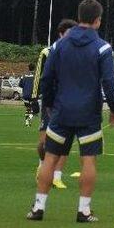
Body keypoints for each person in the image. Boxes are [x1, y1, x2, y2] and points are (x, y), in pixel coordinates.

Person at [27, 0, 114, 222]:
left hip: (61, 109)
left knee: (50, 158)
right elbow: (110, 81)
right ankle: (84, 210)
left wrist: (49, 103)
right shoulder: (103, 47)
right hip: (88, 112)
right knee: (88, 160)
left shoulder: (59, 45)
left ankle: (38, 207)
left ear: (79, 17)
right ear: (98, 21)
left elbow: (47, 78)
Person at [32, 19, 78, 189]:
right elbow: (39, 76)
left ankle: (57, 176)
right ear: (61, 34)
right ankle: (42, 166)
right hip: (50, 102)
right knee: (44, 142)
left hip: (69, 103)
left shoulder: (78, 53)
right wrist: (35, 99)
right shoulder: (48, 52)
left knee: (65, 141)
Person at [19, 63, 38, 127]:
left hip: (25, 95)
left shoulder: (23, 75)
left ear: (28, 68)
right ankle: (30, 118)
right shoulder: (36, 76)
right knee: (35, 110)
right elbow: (39, 85)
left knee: (28, 109)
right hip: (33, 95)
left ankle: (27, 123)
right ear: (34, 68)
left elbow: (20, 85)